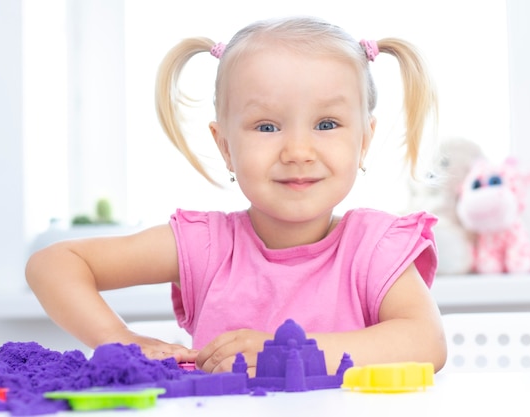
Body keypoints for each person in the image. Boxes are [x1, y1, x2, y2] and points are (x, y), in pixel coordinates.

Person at [26, 16, 447, 375]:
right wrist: (118, 339)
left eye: (326, 124)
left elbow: (426, 342)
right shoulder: (205, 246)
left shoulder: (373, 250)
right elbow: (55, 264)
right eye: (266, 127)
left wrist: (290, 355)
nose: (298, 152)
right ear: (225, 145)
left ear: (364, 140)